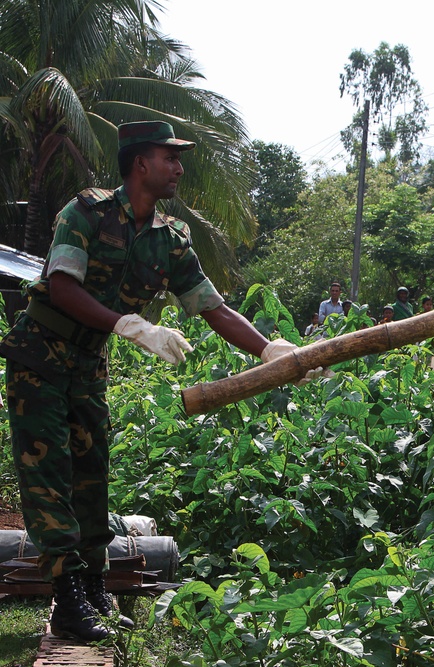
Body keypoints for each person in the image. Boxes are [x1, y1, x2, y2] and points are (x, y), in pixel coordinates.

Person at [0, 121, 315, 643]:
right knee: (49, 473)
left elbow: (212, 306)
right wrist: (129, 323)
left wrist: (270, 349)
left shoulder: (169, 239)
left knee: (92, 472)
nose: (179, 167)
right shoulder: (84, 213)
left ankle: (95, 584)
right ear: (140, 162)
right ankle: (67, 596)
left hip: (87, 365)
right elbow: (60, 287)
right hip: (40, 357)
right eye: (170, 157)